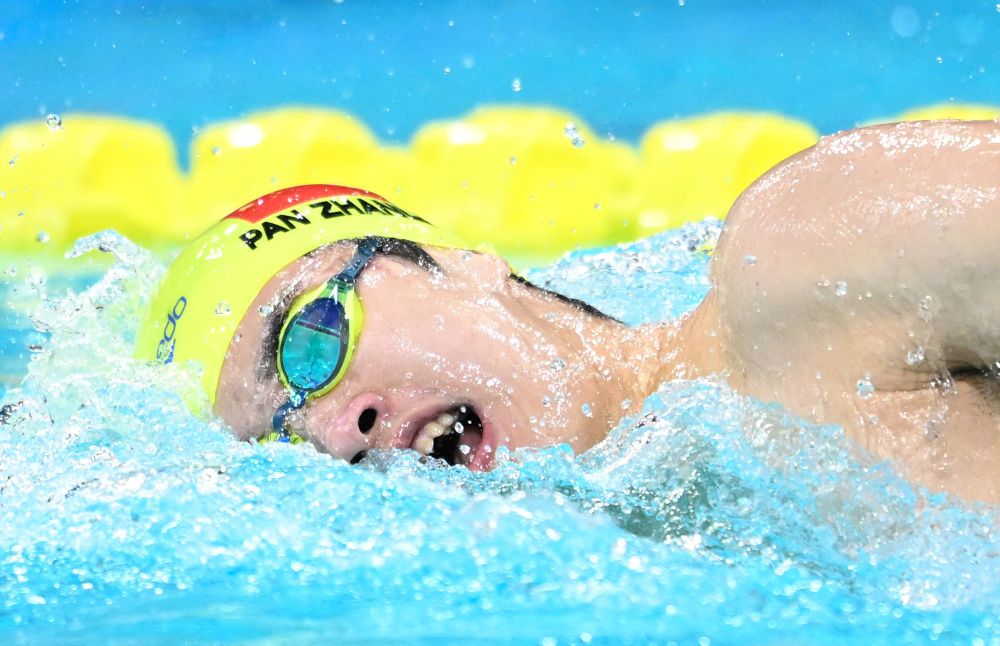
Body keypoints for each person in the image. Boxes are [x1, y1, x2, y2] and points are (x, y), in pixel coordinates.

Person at [136, 119, 1000, 503]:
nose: (339, 434)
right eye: (283, 445)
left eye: (312, 341)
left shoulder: (796, 265)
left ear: (466, 266)